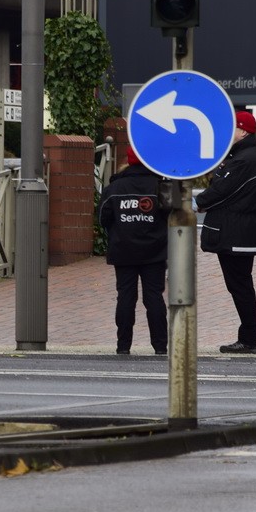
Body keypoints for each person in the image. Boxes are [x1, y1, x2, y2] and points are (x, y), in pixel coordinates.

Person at [195, 111, 256, 355]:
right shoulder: (245, 156)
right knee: (240, 285)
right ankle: (248, 337)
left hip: (236, 234)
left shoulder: (244, 159)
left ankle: (249, 339)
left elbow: (220, 190)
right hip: (240, 232)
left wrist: (195, 203)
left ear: (243, 131)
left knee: (240, 286)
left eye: (232, 129)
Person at [97, 146, 169, 356]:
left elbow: (103, 219)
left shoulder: (114, 188)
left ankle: (123, 346)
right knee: (154, 297)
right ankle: (160, 346)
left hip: (123, 250)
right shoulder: (161, 185)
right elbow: (173, 215)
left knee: (126, 297)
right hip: (155, 251)